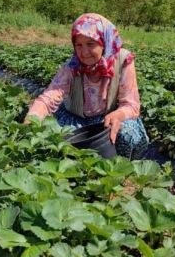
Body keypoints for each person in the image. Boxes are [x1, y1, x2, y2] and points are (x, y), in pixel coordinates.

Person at [25, 13, 149, 159]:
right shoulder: (72, 67)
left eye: (91, 44)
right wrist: (31, 120)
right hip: (75, 118)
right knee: (55, 138)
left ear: (104, 42)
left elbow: (131, 105)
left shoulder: (122, 61)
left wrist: (118, 115)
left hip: (108, 118)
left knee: (126, 132)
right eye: (79, 45)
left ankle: (122, 166)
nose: (84, 52)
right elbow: (49, 97)